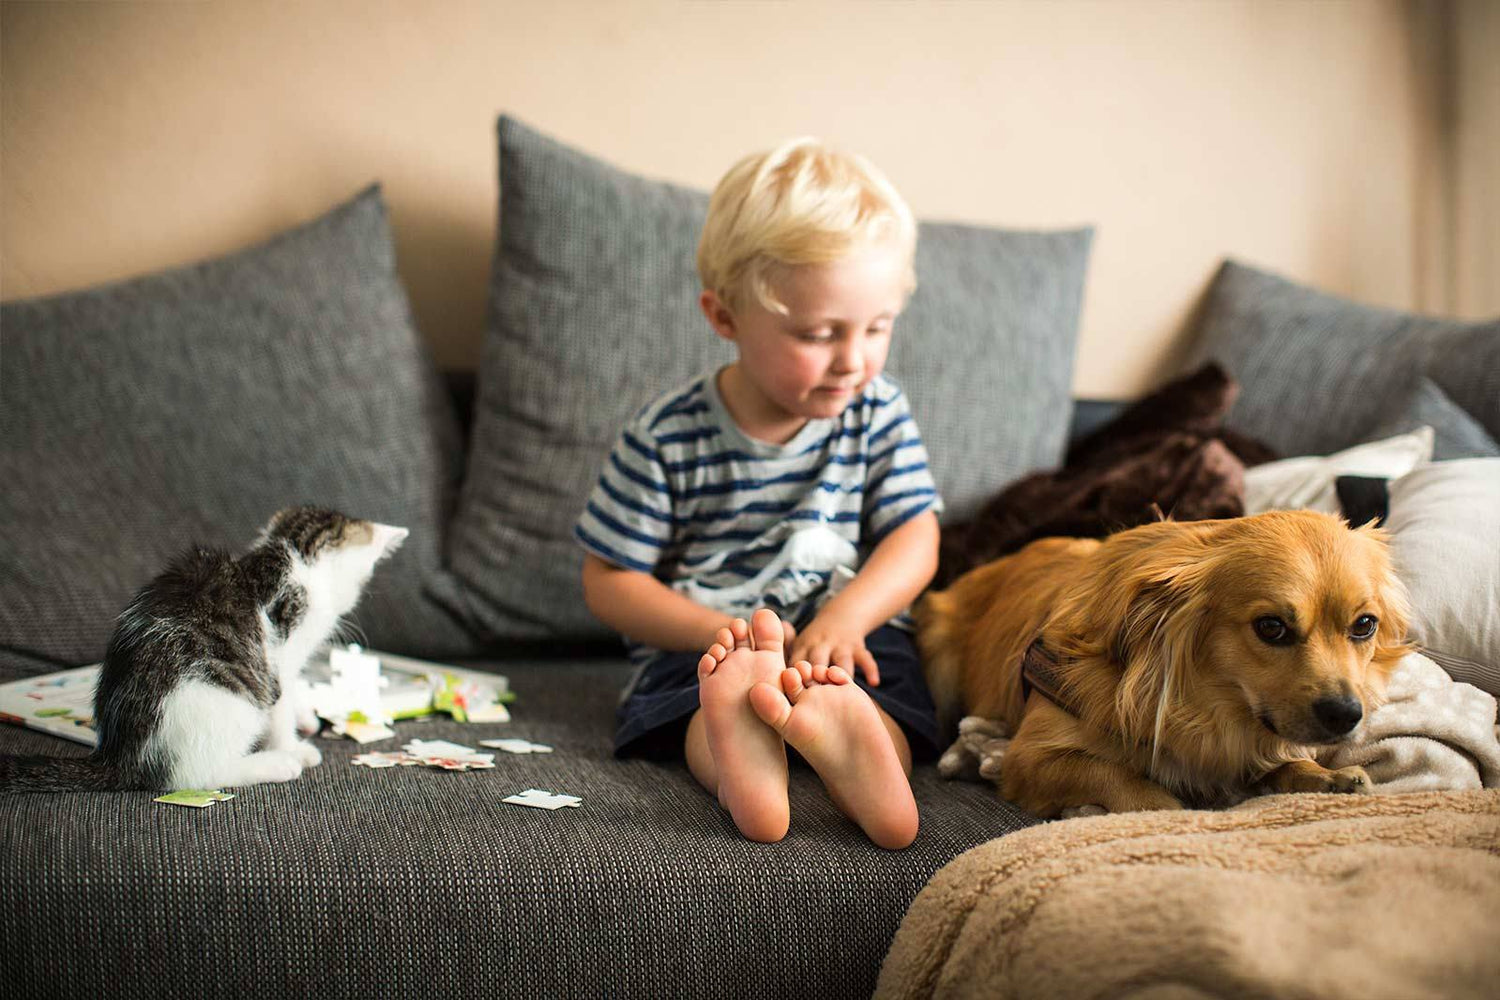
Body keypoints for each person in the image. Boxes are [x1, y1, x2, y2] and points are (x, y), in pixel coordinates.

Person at [575, 138, 942, 848]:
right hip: (713, 646)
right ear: (725, 318)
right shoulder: (665, 437)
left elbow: (916, 534)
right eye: (819, 333)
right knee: (702, 712)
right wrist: (714, 634)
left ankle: (861, 750)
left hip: (843, 641)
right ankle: (741, 766)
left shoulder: (878, 412)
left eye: (877, 328)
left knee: (885, 697)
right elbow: (609, 580)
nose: (854, 359)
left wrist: (849, 616)